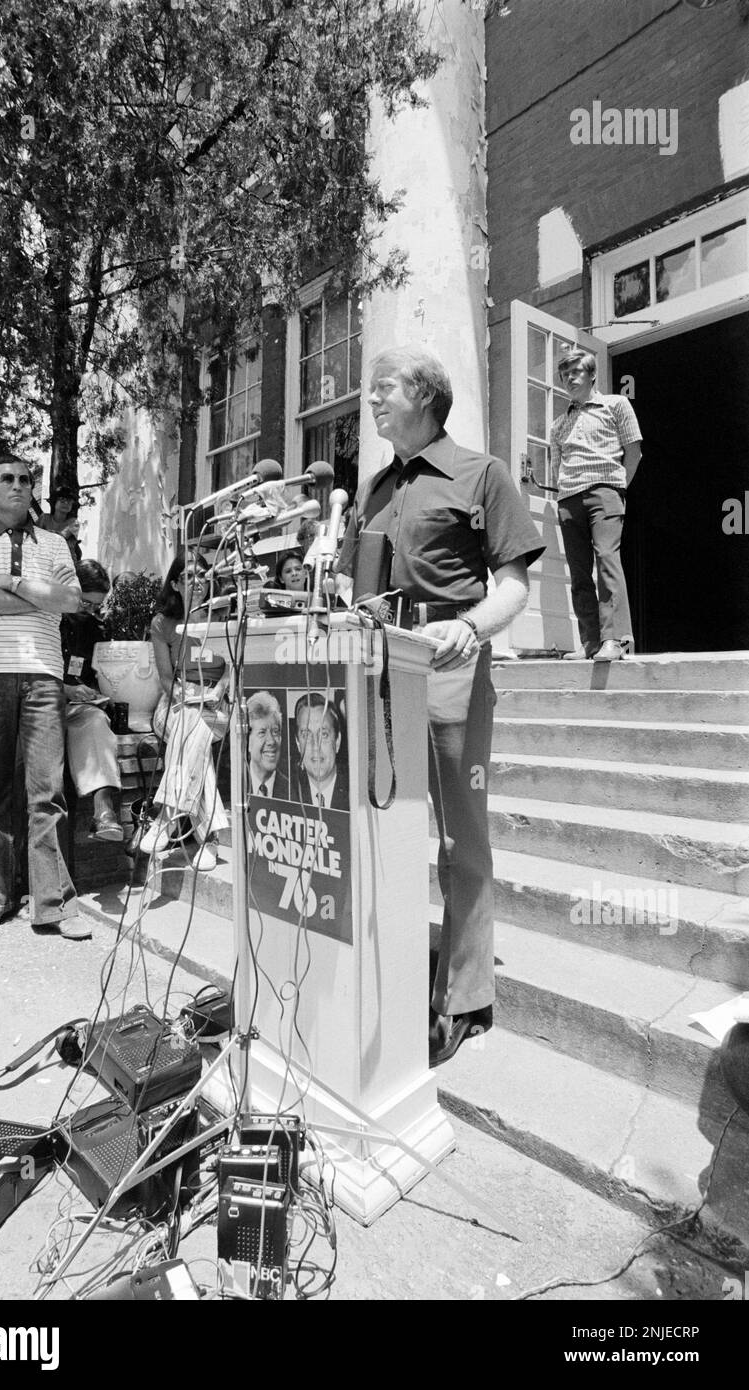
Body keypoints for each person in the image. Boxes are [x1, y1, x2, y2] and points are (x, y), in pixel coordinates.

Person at [338, 344, 545, 1066]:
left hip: (449, 660)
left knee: (460, 839)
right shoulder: (371, 489)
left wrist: (467, 627)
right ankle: (389, 965)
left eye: (383, 389)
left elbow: (513, 586)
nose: (372, 401)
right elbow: (350, 587)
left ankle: (463, 994)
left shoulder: (480, 474)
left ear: (425, 397)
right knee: (379, 827)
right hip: (374, 668)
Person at [0, 458, 90, 940]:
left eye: (25, 479)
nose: (17, 486)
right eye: (6, 479)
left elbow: (72, 601)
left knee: (47, 792)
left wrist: (9, 582)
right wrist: (38, 595)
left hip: (43, 675)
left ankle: (51, 904)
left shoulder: (53, 543)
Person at [550, 348, 642, 661]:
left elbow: (634, 454)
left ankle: (613, 641)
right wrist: (561, 498)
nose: (570, 379)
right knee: (578, 574)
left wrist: (616, 488)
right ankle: (590, 642)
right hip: (569, 499)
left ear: (592, 375)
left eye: (576, 372)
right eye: (565, 375)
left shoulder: (616, 404)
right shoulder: (558, 425)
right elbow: (556, 466)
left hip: (605, 492)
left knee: (607, 561)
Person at [141, 550, 229, 870]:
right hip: (177, 703)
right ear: (175, 584)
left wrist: (218, 690)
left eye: (203, 576)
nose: (198, 582)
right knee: (189, 725)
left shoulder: (222, 615)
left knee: (192, 733)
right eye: (189, 576)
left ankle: (165, 817)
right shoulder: (163, 624)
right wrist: (189, 695)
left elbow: (233, 668)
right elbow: (167, 680)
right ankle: (209, 839)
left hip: (216, 703)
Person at [61, 560, 123, 841]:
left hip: (76, 707)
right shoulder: (45, 621)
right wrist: (66, 689)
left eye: (95, 607)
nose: (89, 612)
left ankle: (103, 811)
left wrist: (93, 692)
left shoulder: (92, 628)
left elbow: (89, 673)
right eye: (84, 603)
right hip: (40, 704)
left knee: (97, 721)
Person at [293, 692, 348, 810]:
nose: (315, 745)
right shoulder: (287, 793)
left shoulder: (355, 792)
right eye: (306, 735)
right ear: (298, 744)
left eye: (323, 734)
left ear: (337, 741)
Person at [246, 691, 289, 799]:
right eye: (262, 732)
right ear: (247, 742)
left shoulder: (293, 791)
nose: (271, 741)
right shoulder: (235, 785)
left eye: (275, 732)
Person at [37, 484, 83, 566]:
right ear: (54, 502)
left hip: (66, 564)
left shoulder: (73, 522)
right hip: (44, 561)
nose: (66, 503)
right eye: (62, 500)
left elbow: (58, 539)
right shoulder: (44, 518)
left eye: (69, 501)